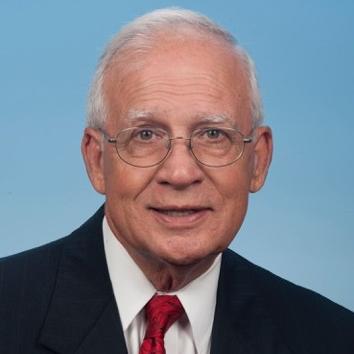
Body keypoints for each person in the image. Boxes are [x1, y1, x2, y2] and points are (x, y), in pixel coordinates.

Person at [0, 7, 353, 354]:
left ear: (258, 161)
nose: (180, 173)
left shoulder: (333, 337)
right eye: (146, 135)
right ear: (96, 160)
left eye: (213, 134)